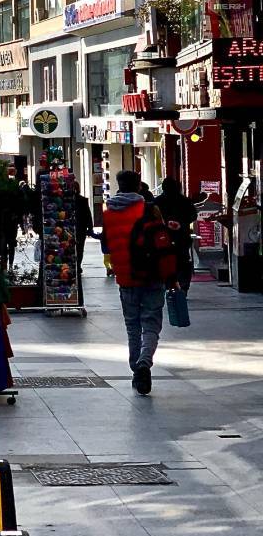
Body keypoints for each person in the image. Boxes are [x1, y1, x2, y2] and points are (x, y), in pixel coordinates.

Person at [103, 170, 178, 396]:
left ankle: (136, 368)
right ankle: (144, 364)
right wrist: (171, 277)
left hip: (125, 279)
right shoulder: (149, 209)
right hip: (152, 277)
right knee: (151, 324)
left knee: (132, 326)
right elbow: (161, 245)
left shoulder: (109, 213)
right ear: (139, 186)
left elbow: (106, 247)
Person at [154, 177, 198, 292]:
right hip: (182, 236)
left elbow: (153, 219)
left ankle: (169, 285)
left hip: (163, 237)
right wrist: (181, 222)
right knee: (183, 261)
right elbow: (193, 216)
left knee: (165, 261)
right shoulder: (185, 201)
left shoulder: (158, 201)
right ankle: (183, 286)